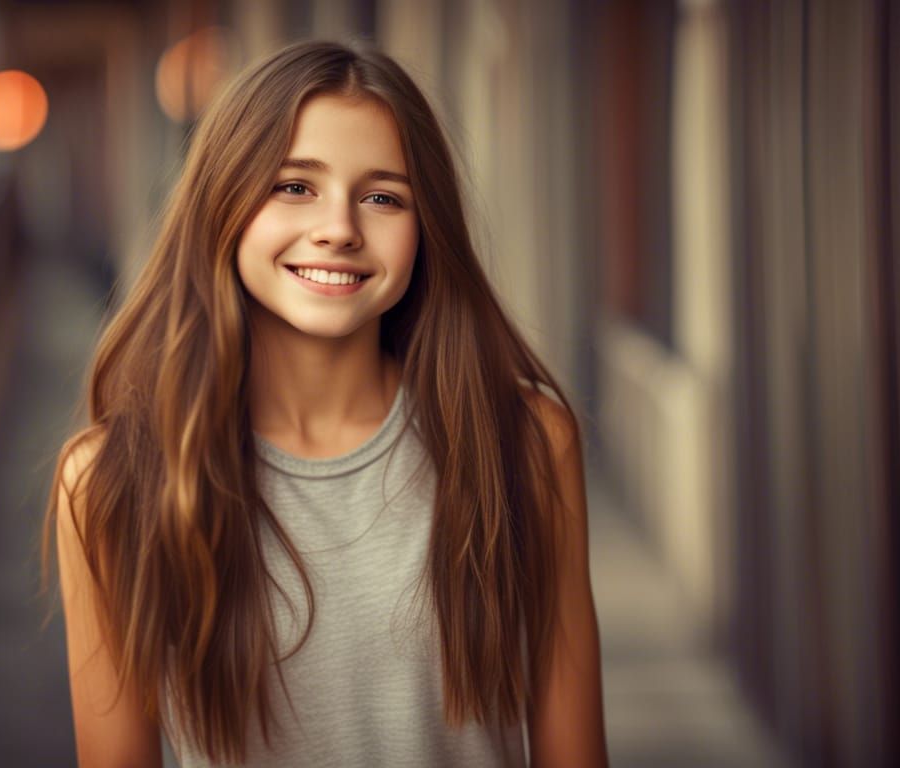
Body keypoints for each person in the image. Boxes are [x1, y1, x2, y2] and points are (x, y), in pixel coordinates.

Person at [46, 40, 607, 767]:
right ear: (223, 202)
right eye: (294, 186)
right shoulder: (108, 480)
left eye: (383, 197)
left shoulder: (526, 443)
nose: (340, 227)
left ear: (426, 228)